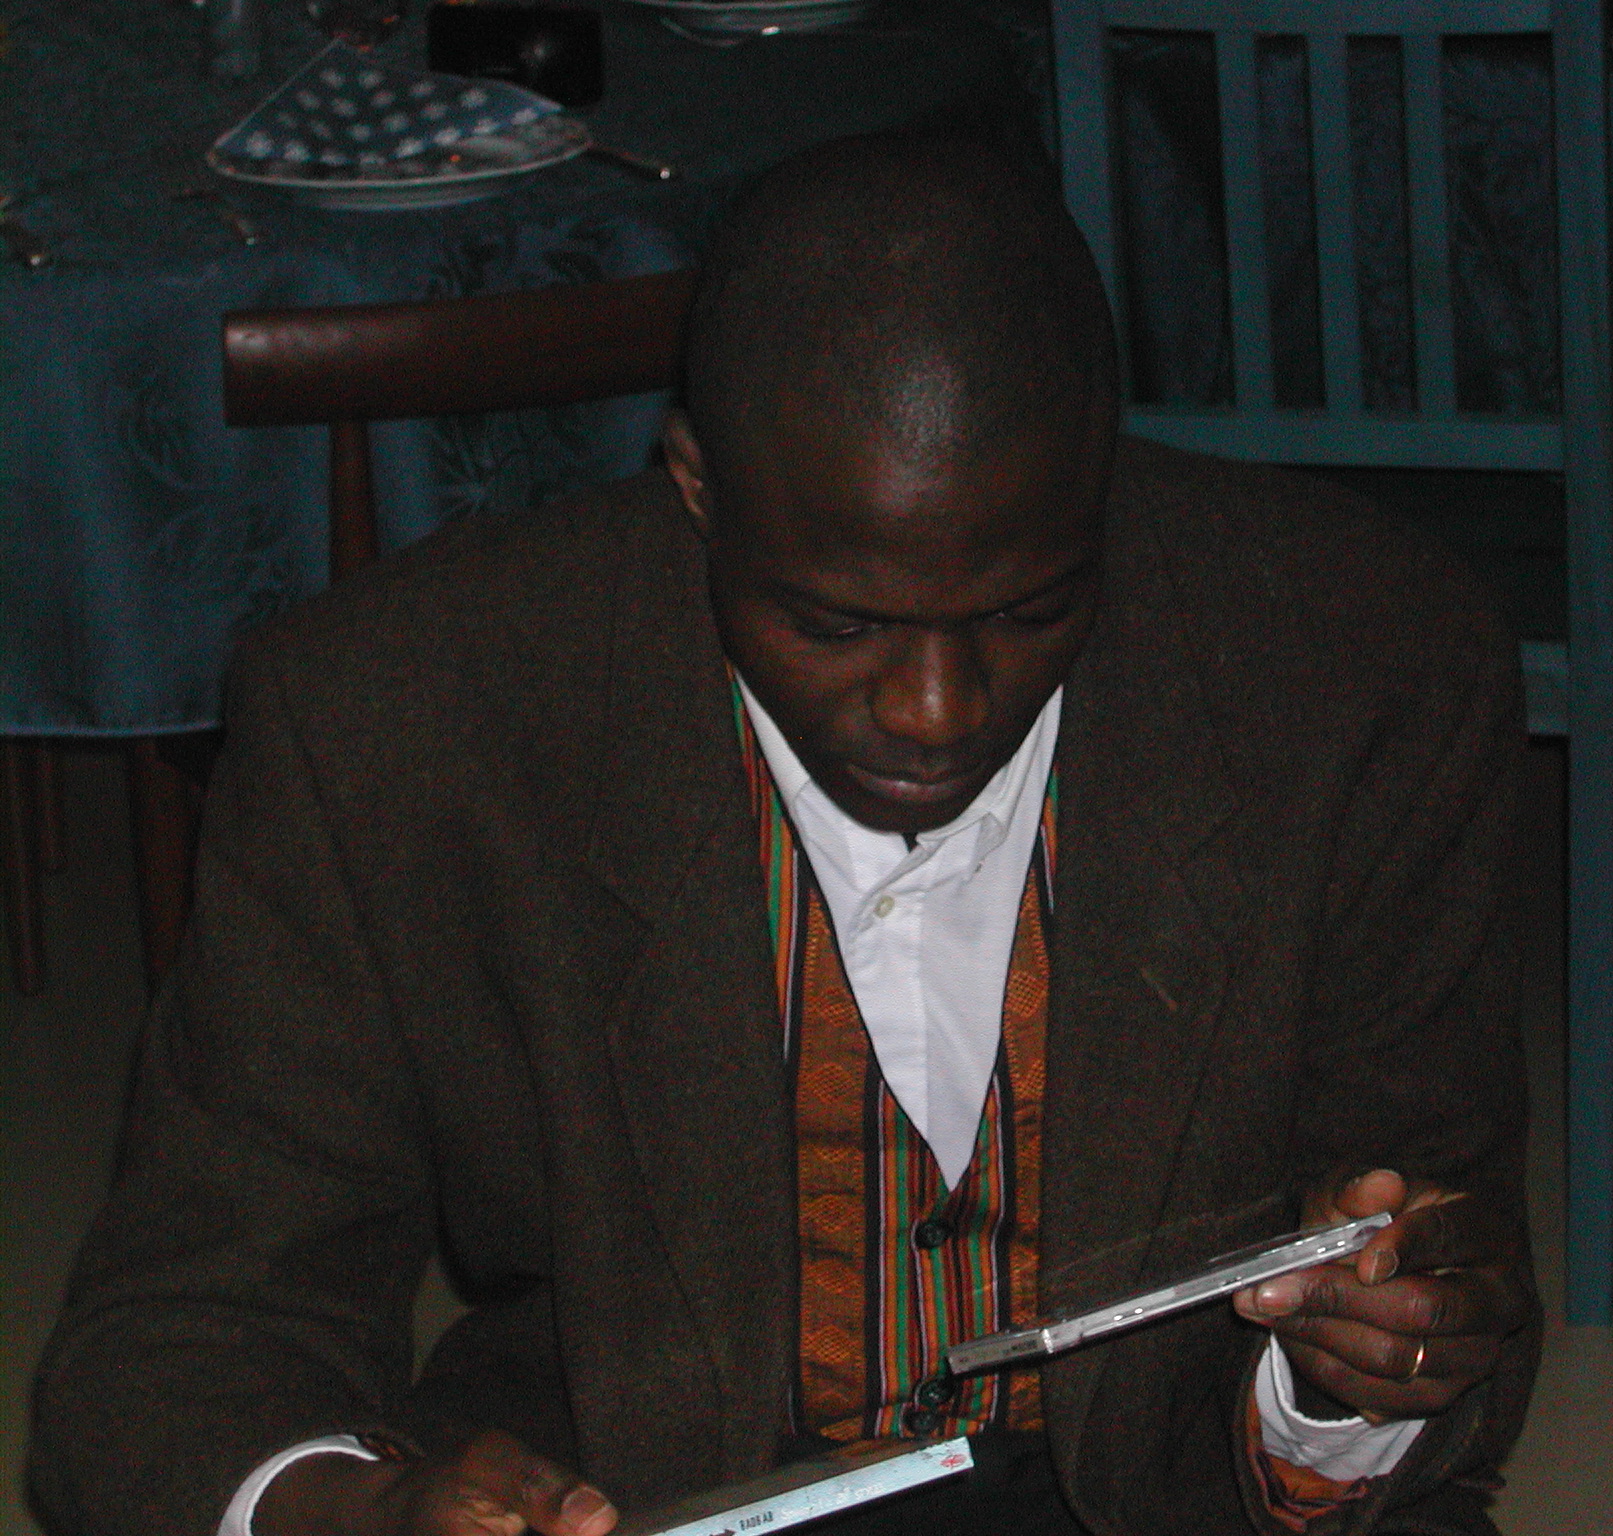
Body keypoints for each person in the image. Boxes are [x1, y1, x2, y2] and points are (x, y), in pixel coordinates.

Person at [29, 135, 1537, 1536]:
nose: (938, 711)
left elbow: (1449, 1274)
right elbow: (175, 1345)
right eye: (834, 623)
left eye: (1028, 612)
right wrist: (356, 1510)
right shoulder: (397, 721)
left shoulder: (1364, 671)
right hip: (638, 1495)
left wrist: (1353, 1381)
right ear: (697, 488)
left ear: (1104, 488)